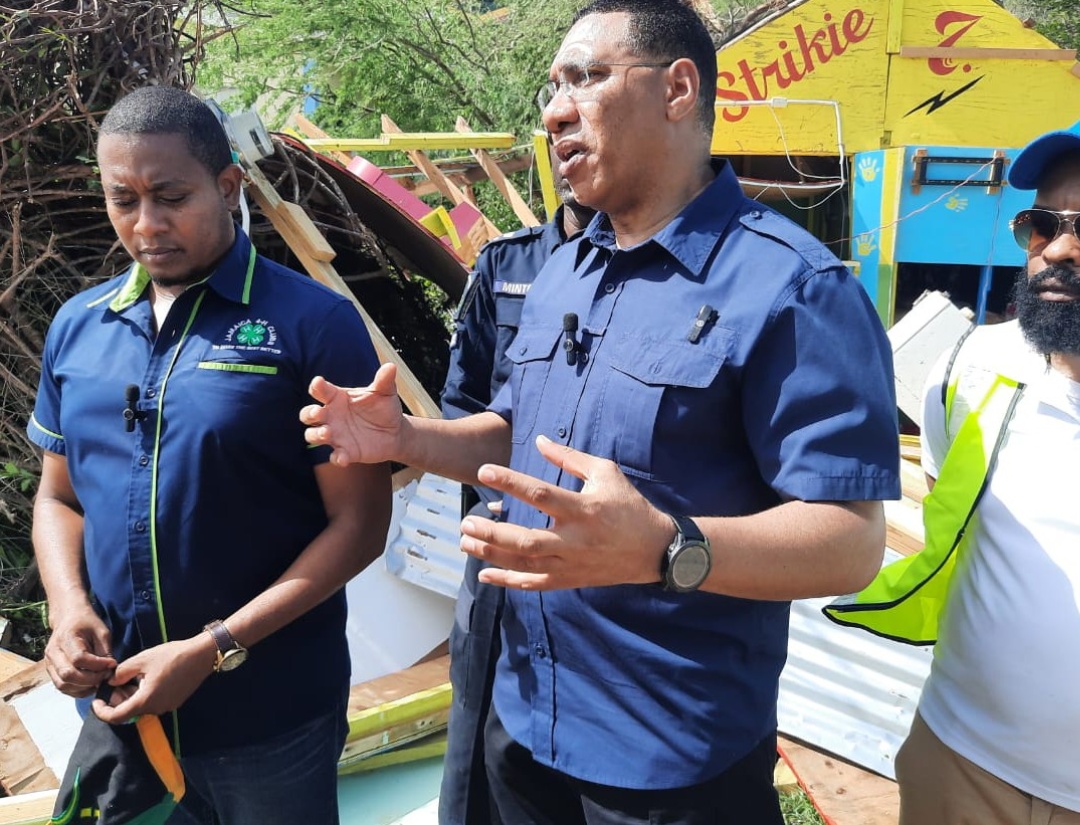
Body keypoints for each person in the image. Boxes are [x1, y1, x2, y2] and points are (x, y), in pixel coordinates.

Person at [302, 1, 900, 822]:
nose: (552, 110)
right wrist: (408, 438)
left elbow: (851, 542)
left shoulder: (794, 289)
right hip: (525, 723)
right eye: (553, 86)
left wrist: (666, 545)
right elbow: (517, 433)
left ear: (678, 89)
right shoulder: (565, 271)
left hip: (672, 760)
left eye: (583, 78)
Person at [826, 98, 1080, 824]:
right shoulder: (974, 365)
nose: (1058, 249)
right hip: (958, 767)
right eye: (1043, 224)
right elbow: (950, 509)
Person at [28, 86, 392, 825]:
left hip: (272, 725)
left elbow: (358, 525)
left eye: (171, 196)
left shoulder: (310, 324)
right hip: (124, 714)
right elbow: (57, 497)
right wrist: (67, 611)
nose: (146, 224)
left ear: (227, 187)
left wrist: (213, 647)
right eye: (122, 199)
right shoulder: (79, 327)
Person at [439, 173, 595, 825]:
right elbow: (464, 395)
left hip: (600, 550)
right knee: (481, 708)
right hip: (503, 532)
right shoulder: (507, 261)